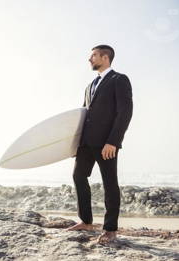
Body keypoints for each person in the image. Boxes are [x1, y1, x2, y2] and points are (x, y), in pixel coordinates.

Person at [66, 45, 133, 245]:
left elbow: (125, 113)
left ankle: (110, 229)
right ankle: (86, 221)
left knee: (109, 183)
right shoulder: (90, 85)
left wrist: (113, 141)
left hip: (106, 143)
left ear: (105, 57)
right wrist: (73, 144)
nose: (90, 59)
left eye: (93, 56)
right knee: (78, 176)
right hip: (86, 143)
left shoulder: (119, 80)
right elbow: (83, 117)